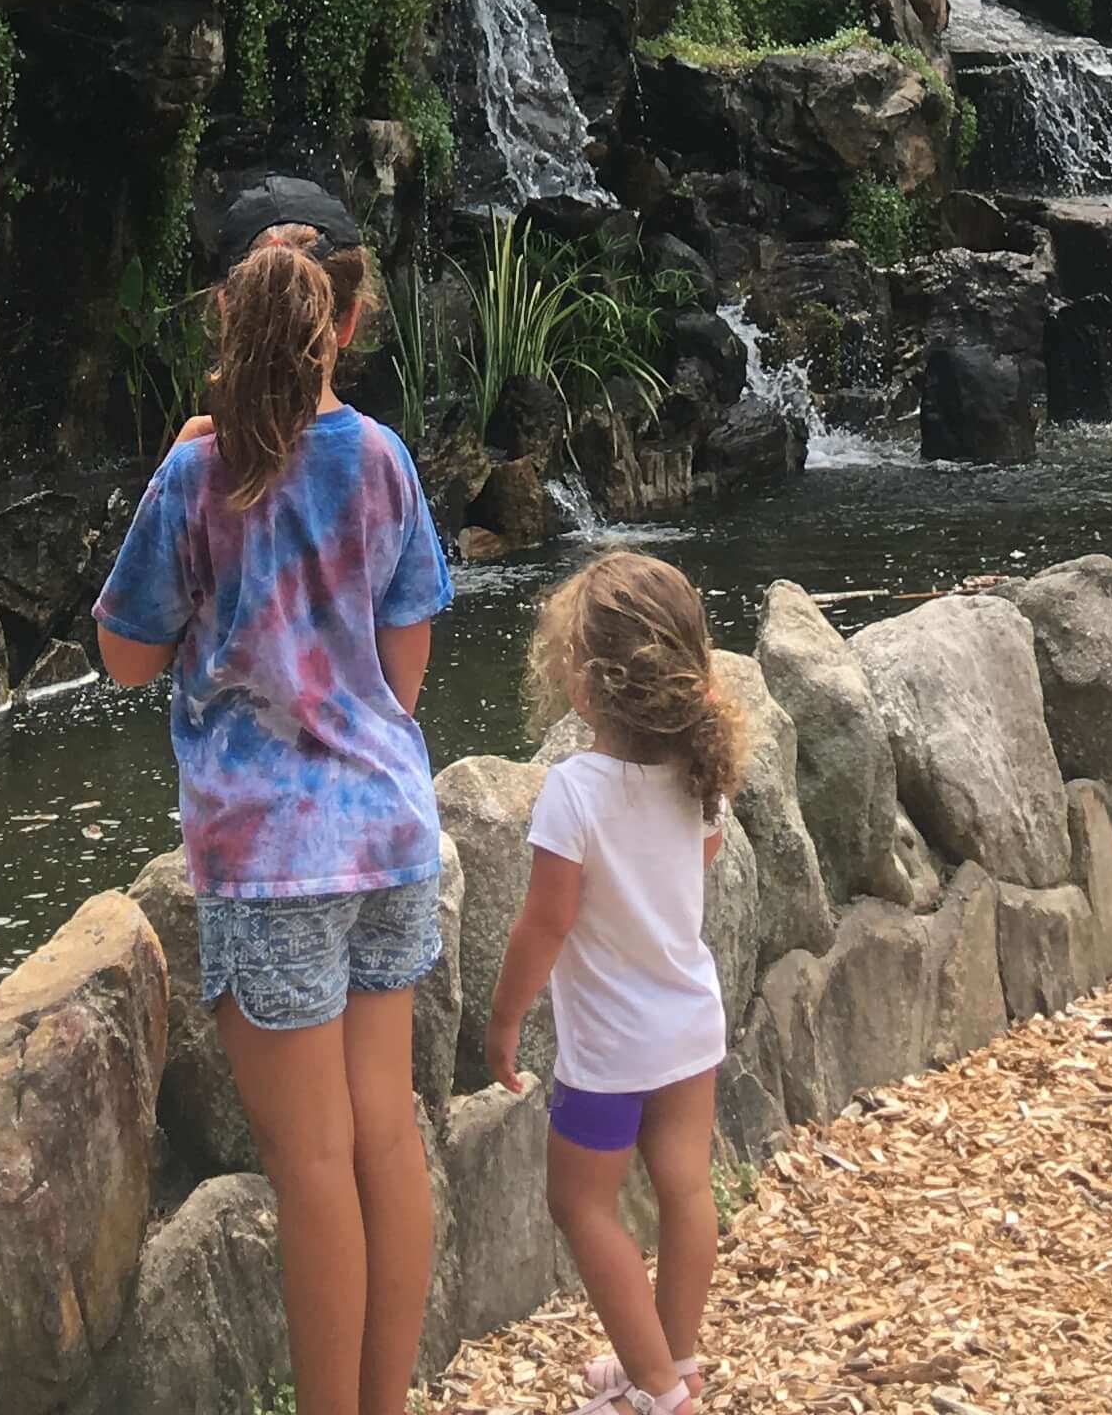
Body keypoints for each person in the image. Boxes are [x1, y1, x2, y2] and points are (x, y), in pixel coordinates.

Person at [94, 219, 452, 1415]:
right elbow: (405, 669)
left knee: (311, 1167)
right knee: (384, 1138)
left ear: (226, 318)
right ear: (344, 323)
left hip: (271, 861)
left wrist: (170, 473)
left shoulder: (197, 476)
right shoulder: (384, 460)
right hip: (390, 836)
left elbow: (125, 657)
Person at [486, 553, 745, 1415]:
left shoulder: (574, 792)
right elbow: (699, 856)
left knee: (580, 1205)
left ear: (588, 683)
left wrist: (504, 1020)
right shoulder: (699, 775)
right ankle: (668, 1363)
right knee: (686, 1190)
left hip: (608, 1051)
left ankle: (661, 1394)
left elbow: (545, 922)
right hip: (688, 1026)